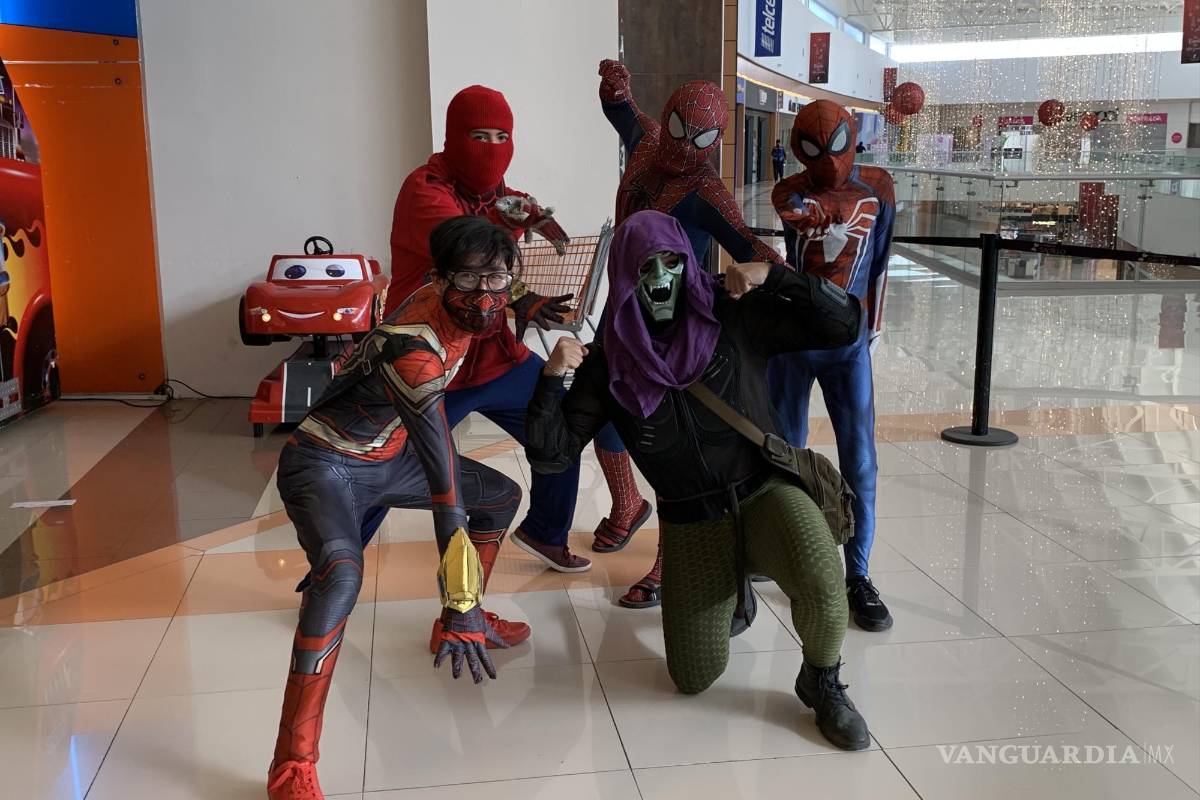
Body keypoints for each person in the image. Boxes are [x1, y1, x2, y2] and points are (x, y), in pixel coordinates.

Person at [525, 210, 871, 751]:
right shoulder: (611, 363)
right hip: (692, 521)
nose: (661, 279)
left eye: (672, 262)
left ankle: (821, 679)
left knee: (822, 575)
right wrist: (550, 381)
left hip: (766, 490)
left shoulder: (731, 311)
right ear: (624, 277)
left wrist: (774, 277)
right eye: (645, 268)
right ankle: (734, 590)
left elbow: (845, 324)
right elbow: (551, 457)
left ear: (688, 263)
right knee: (693, 676)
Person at [359, 86, 652, 643]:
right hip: (431, 365)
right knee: (385, 466)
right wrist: (515, 224)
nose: (492, 148)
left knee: (559, 429)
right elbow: (468, 251)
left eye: (501, 137)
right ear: (453, 137)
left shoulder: (500, 195)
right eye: (479, 136)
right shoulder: (424, 191)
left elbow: (501, 257)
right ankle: (336, 561)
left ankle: (546, 531)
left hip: (492, 357)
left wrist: (530, 294)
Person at [268, 216, 528, 800]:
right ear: (439, 279)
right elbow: (444, 490)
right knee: (341, 577)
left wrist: (530, 304)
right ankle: (293, 763)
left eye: (500, 280)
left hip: (386, 454)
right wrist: (458, 595)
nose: (487, 296)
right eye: (471, 280)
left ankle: (462, 623)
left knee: (503, 497)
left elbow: (489, 287)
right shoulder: (414, 350)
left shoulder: (458, 299)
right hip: (324, 462)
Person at [597, 59, 785, 609]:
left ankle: (668, 558)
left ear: (717, 139)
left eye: (702, 136)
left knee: (665, 438)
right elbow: (621, 111)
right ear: (669, 116)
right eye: (681, 128)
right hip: (623, 307)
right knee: (613, 415)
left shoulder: (706, 189)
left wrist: (770, 277)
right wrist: (616, 87)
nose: (687, 143)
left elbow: (755, 248)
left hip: (673, 328)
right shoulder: (649, 141)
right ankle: (627, 503)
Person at [769, 100, 896, 632]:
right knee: (785, 452)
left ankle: (857, 576)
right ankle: (786, 556)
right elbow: (799, 213)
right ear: (799, 147)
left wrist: (872, 326)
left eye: (836, 145)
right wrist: (827, 214)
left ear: (853, 137)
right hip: (794, 340)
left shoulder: (878, 186)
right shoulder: (788, 191)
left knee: (859, 459)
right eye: (814, 149)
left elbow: (884, 254)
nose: (828, 160)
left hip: (848, 343)